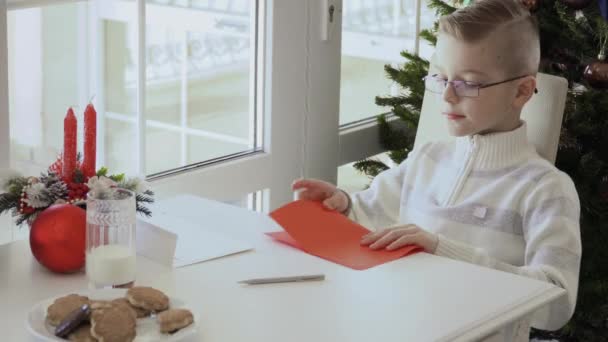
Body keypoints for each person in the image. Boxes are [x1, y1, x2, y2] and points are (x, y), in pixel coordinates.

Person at [292, 1, 581, 341]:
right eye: (441, 77)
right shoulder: (427, 159)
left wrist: (442, 250)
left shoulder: (546, 188)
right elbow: (367, 216)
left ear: (521, 91)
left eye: (468, 83)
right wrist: (341, 204)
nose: (446, 95)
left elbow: (557, 303)